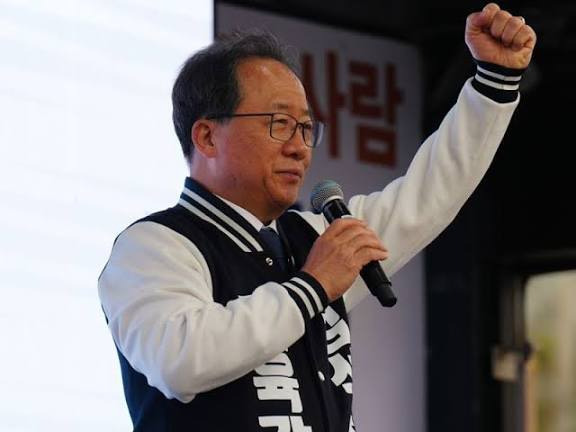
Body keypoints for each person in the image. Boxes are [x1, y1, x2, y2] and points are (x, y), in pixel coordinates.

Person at [98, 3, 536, 431]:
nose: (298, 147)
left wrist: (493, 82)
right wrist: (313, 285)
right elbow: (179, 360)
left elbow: (429, 194)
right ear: (207, 136)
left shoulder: (316, 236)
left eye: (306, 128)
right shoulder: (154, 245)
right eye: (279, 123)